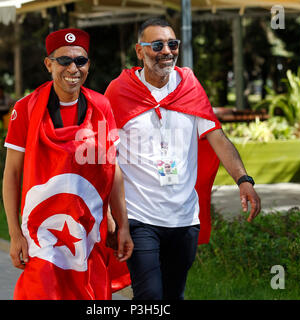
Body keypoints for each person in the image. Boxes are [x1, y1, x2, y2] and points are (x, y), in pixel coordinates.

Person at [104, 18, 261, 300]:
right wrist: (108, 211)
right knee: (150, 296)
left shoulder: (188, 84)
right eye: (157, 45)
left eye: (172, 44)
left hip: (184, 218)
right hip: (140, 217)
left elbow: (217, 137)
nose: (167, 51)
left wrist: (244, 179)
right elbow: (106, 155)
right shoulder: (119, 90)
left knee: (174, 295)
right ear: (139, 51)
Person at [2, 28, 133, 300]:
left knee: (88, 294)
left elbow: (112, 170)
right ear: (48, 64)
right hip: (42, 231)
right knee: (42, 290)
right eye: (64, 61)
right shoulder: (25, 108)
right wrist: (15, 234)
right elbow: (12, 174)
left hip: (89, 227)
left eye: (81, 61)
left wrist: (121, 224)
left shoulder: (101, 105)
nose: (73, 68)